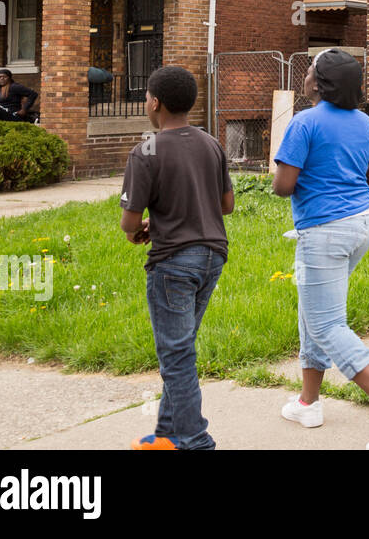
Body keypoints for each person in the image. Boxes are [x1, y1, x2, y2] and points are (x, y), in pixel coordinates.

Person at [273, 48, 369, 449]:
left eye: (310, 70)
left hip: (324, 232)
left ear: (318, 83)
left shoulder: (304, 122)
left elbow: (282, 186)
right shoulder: (365, 123)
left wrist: (303, 170)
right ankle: (308, 402)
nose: (305, 75)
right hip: (361, 225)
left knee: (325, 324)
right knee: (313, 311)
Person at [119, 66, 234, 450]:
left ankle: (195, 440)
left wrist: (143, 228)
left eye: (147, 97)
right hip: (213, 256)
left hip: (172, 263)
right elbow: (227, 205)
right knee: (180, 347)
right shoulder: (209, 143)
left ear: (155, 103)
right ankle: (166, 435)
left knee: (176, 354)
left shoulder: (146, 150)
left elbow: (129, 222)